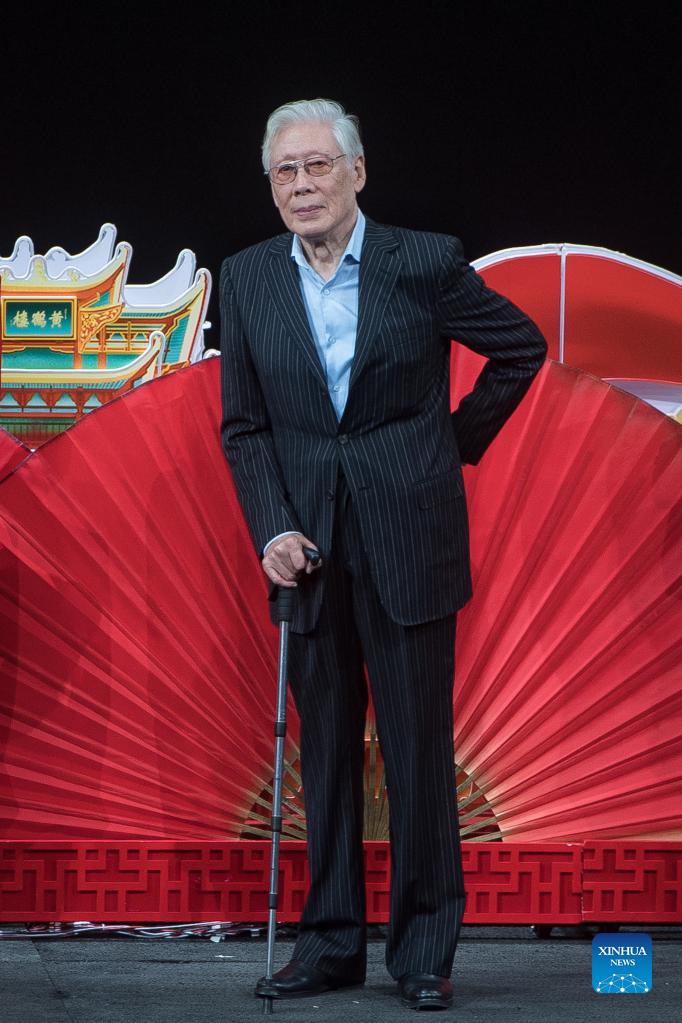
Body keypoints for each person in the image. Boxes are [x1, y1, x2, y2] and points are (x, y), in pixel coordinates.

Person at [219, 98, 547, 1011]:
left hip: (410, 535)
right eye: (285, 172)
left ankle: (424, 949)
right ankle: (328, 944)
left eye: (318, 166)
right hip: (306, 550)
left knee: (414, 751)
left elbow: (521, 347)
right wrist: (271, 527)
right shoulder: (246, 279)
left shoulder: (424, 261)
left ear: (358, 171)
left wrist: (451, 444)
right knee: (323, 754)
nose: (302, 185)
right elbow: (244, 428)